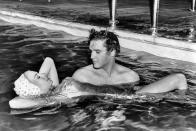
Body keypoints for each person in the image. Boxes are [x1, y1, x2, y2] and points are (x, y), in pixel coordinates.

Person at [72, 29, 188, 94]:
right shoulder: (82, 76)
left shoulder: (130, 76)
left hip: (126, 108)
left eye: (97, 52)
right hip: (95, 114)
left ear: (112, 52)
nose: (92, 56)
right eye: (91, 51)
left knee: (179, 78)